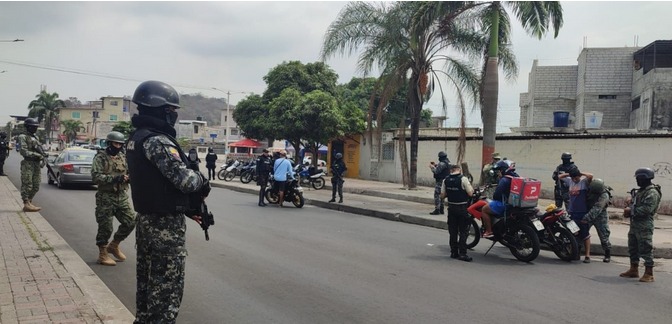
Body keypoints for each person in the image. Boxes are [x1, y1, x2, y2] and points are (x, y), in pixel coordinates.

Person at [125, 80, 210, 323]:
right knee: (165, 292)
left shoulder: (136, 139)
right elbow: (186, 181)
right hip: (163, 227)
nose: (173, 115)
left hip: (146, 221)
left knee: (147, 286)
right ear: (161, 109)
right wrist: (201, 179)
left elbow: (156, 183)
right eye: (172, 110)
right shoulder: (158, 141)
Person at [91, 131, 136, 266]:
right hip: (106, 197)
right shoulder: (100, 158)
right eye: (116, 143)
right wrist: (114, 179)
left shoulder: (123, 157)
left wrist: (128, 178)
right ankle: (102, 253)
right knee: (106, 227)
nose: (118, 146)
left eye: (120, 144)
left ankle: (114, 245)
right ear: (109, 143)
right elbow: (95, 177)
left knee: (130, 221)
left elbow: (128, 172)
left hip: (121, 196)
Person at [620, 167, 662, 282]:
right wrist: (631, 202)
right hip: (635, 224)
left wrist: (631, 211)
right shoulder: (642, 191)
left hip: (644, 225)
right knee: (633, 247)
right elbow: (638, 204)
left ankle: (649, 273)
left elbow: (647, 209)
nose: (637, 181)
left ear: (645, 178)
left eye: (639, 178)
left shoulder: (652, 192)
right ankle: (634, 269)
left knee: (645, 248)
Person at [559, 168, 593, 263]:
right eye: (573, 178)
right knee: (573, 233)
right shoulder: (570, 181)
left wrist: (580, 173)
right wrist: (569, 174)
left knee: (585, 234)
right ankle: (574, 253)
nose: (575, 179)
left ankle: (587, 256)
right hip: (572, 212)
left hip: (582, 212)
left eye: (576, 177)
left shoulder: (584, 182)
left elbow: (590, 175)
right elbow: (559, 176)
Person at [441, 164, 474, 262]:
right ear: (459, 170)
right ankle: (462, 254)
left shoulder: (445, 180)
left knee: (453, 231)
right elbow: (470, 193)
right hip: (462, 208)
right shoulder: (463, 179)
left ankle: (453, 252)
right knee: (463, 231)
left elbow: (442, 196)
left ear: (451, 170)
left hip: (451, 208)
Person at [480, 160, 519, 238]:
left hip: (505, 204)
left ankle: (489, 231)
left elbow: (497, 195)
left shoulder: (504, 180)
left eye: (499, 171)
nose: (498, 173)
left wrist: (494, 197)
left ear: (502, 170)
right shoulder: (516, 176)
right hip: (514, 203)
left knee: (484, 209)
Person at [18, 118, 46, 212]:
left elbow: (39, 148)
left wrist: (43, 155)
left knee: (36, 185)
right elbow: (24, 151)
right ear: (28, 127)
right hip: (28, 163)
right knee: (27, 184)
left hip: (36, 164)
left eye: (36, 127)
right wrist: (38, 155)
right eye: (33, 127)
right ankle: (26, 203)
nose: (35, 129)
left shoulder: (36, 137)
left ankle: (29, 202)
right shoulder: (23, 137)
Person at [583, 178, 613, 262]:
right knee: (583, 233)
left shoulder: (604, 195)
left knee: (604, 236)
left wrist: (586, 218)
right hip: (588, 212)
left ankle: (607, 254)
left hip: (600, 216)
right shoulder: (590, 189)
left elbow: (598, 208)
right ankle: (578, 250)